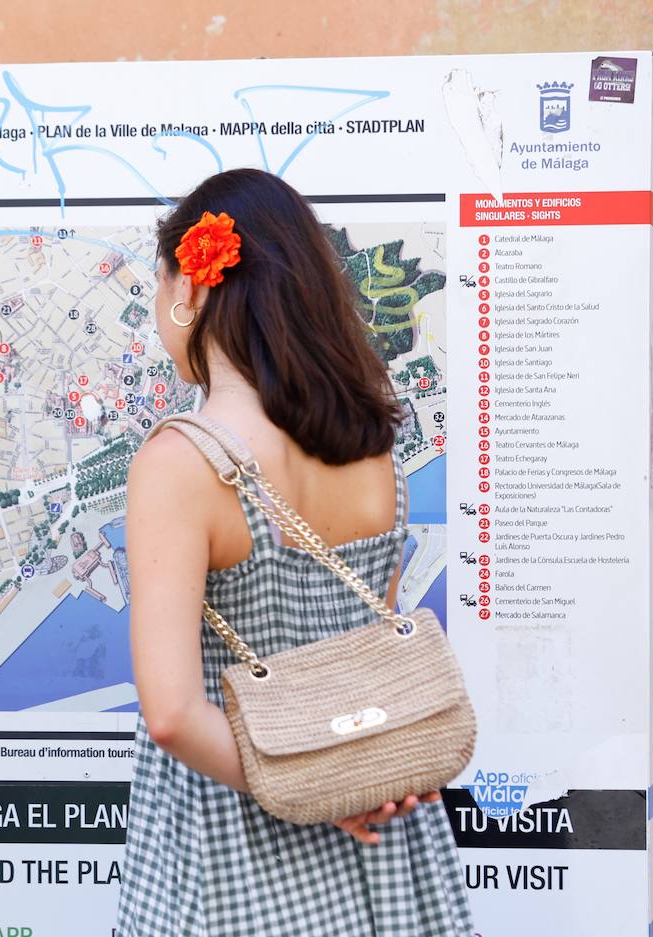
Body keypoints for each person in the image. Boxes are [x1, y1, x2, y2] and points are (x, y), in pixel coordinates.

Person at [116, 168, 473, 935]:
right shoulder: (369, 445)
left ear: (192, 289)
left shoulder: (181, 464)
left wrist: (316, 782)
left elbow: (175, 714)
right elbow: (370, 647)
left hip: (234, 845)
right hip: (386, 842)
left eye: (160, 284)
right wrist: (352, 777)